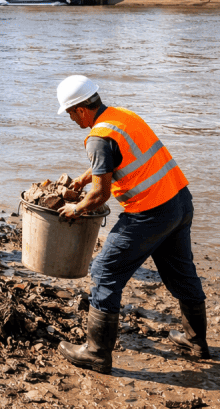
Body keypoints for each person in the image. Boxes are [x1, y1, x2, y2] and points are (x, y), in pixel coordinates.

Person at [55, 75, 210, 374]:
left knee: (104, 271)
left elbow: (100, 196)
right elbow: (116, 159)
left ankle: (97, 353)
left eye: (71, 114)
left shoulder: (98, 137)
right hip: (179, 201)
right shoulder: (122, 116)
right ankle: (196, 342)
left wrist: (76, 208)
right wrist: (86, 177)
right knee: (182, 272)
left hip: (149, 213)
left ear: (80, 109)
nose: (72, 119)